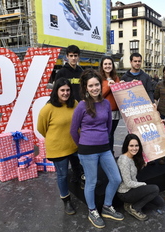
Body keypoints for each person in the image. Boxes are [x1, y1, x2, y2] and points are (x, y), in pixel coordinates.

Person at [70, 69, 124, 228]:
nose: (95, 88)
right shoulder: (81, 106)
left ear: (101, 85)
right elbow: (73, 130)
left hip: (104, 148)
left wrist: (101, 140)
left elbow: (108, 126)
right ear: (86, 88)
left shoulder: (106, 103)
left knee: (116, 178)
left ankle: (107, 207)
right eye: (91, 86)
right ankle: (92, 210)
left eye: (97, 85)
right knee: (91, 182)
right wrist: (82, 146)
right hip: (87, 150)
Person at [37, 78, 78, 215]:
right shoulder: (48, 109)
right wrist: (56, 137)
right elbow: (41, 128)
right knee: (62, 175)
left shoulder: (75, 104)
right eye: (62, 90)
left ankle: (78, 188)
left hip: (75, 145)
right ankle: (66, 200)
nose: (65, 93)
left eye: (67, 90)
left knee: (80, 170)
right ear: (56, 91)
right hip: (58, 148)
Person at [117, 134, 165, 221]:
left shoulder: (132, 157)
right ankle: (134, 208)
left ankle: (132, 203)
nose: (134, 148)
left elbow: (133, 172)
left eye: (136, 145)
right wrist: (143, 184)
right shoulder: (123, 160)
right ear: (126, 146)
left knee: (160, 202)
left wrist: (142, 165)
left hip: (132, 189)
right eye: (131, 146)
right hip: (125, 192)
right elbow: (128, 183)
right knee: (155, 189)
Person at [54, 45, 84, 182]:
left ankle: (79, 173)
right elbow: (56, 92)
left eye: (75, 56)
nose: (73, 58)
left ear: (78, 57)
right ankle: (69, 174)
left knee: (79, 141)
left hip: (80, 110)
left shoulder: (81, 71)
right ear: (66, 57)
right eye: (71, 56)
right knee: (69, 139)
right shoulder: (61, 73)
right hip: (66, 111)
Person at [99, 56, 121, 154]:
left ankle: (110, 153)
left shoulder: (116, 78)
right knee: (106, 134)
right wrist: (108, 86)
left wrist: (122, 85)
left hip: (115, 111)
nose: (108, 66)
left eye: (109, 64)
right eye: (105, 64)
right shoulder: (98, 78)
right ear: (102, 66)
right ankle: (107, 153)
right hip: (104, 111)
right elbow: (99, 95)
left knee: (111, 134)